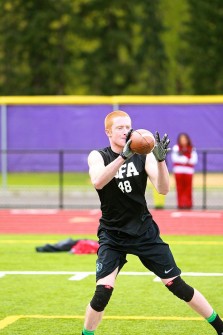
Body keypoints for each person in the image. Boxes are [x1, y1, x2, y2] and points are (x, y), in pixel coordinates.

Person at [81, 110, 223, 335]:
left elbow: (163, 189)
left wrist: (160, 160)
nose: (126, 131)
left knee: (177, 285)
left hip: (143, 231)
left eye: (128, 126)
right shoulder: (98, 155)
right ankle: (86, 334)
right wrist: (123, 157)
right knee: (102, 293)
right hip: (113, 234)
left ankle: (220, 327)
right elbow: (98, 182)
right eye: (120, 127)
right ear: (108, 131)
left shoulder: (142, 155)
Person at [171, 133, 198, 209]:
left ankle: (188, 204)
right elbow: (175, 158)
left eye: (185, 139)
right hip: (178, 171)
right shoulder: (176, 148)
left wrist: (184, 160)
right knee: (179, 188)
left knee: (188, 188)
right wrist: (185, 159)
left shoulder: (192, 148)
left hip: (189, 171)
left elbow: (194, 160)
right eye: (181, 139)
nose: (183, 141)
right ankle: (180, 204)